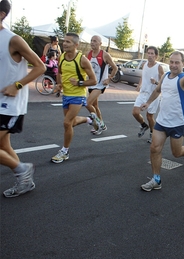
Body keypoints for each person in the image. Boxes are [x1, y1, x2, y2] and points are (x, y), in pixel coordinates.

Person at [0, 0, 46, 197]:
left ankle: (23, 170)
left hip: (9, 104)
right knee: (3, 146)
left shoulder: (13, 40)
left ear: (1, 14)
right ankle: (24, 179)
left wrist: (17, 85)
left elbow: (40, 67)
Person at [139, 51, 184, 192]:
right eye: (171, 62)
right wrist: (148, 103)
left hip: (177, 124)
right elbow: (157, 90)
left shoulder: (183, 79)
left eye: (177, 62)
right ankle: (156, 179)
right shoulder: (166, 76)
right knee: (154, 148)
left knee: (176, 153)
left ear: (182, 64)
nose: (173, 65)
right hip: (161, 122)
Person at [51, 32, 98, 163]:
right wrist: (59, 84)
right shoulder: (61, 57)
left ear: (76, 45)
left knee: (66, 123)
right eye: (64, 41)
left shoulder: (82, 59)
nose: (64, 44)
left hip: (78, 95)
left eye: (68, 42)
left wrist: (79, 83)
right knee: (70, 123)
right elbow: (59, 72)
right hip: (66, 94)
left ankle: (64, 151)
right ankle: (89, 119)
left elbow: (94, 81)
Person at [86, 35, 118, 135]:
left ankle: (98, 124)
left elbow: (115, 68)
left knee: (88, 104)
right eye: (91, 40)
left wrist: (109, 79)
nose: (92, 43)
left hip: (100, 85)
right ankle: (103, 125)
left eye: (95, 41)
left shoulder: (104, 55)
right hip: (91, 84)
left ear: (100, 43)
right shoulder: (89, 54)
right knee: (95, 105)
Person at [133, 46, 165, 143]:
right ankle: (143, 125)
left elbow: (163, 83)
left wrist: (155, 82)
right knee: (135, 112)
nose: (150, 55)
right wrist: (139, 85)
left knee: (149, 117)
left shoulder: (159, 67)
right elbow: (143, 76)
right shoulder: (144, 64)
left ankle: (152, 133)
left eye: (152, 53)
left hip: (153, 95)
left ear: (156, 56)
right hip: (143, 92)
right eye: (149, 53)